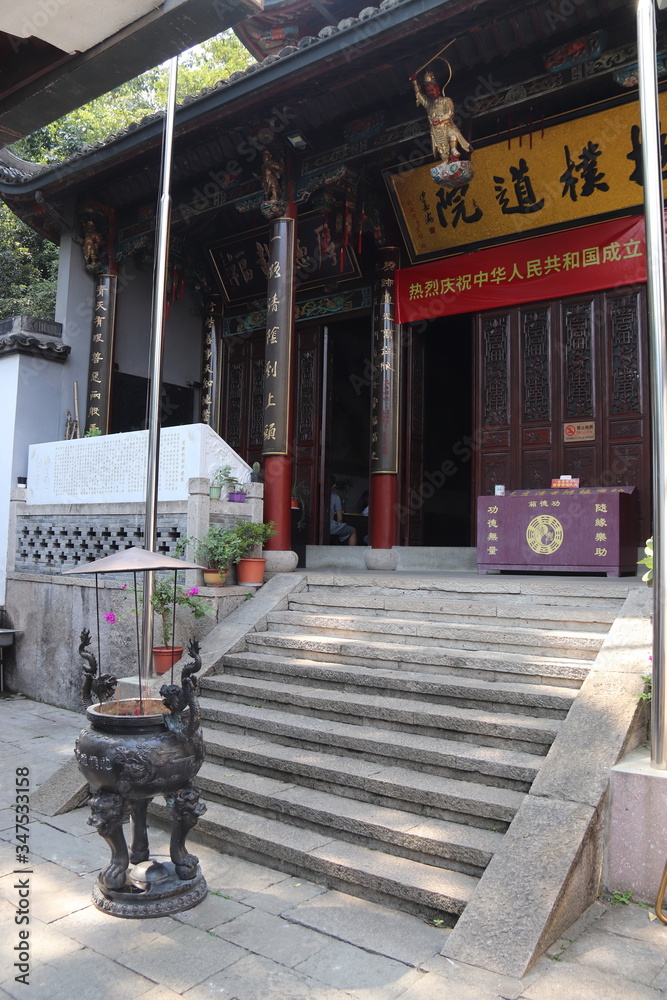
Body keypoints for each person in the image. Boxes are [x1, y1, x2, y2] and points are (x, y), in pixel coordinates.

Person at [410, 70, 471, 164]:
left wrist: (440, 119)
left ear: (437, 89)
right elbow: (418, 95)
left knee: (452, 135)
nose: (431, 92)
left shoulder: (446, 100)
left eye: (432, 89)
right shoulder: (428, 104)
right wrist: (415, 82)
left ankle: (454, 149)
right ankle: (446, 162)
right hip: (436, 131)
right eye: (428, 91)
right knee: (442, 150)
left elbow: (450, 113)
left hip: (447, 125)